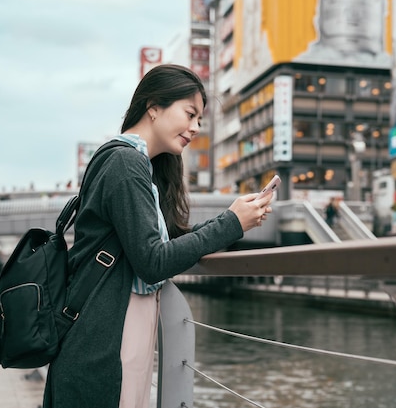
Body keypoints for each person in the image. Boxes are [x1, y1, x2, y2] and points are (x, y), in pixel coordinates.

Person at [42, 64, 274, 408]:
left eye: (199, 120)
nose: (195, 128)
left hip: (109, 338)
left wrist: (236, 220)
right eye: (190, 114)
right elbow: (153, 261)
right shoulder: (125, 163)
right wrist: (231, 223)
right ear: (154, 107)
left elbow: (164, 246)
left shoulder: (133, 164)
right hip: (101, 344)